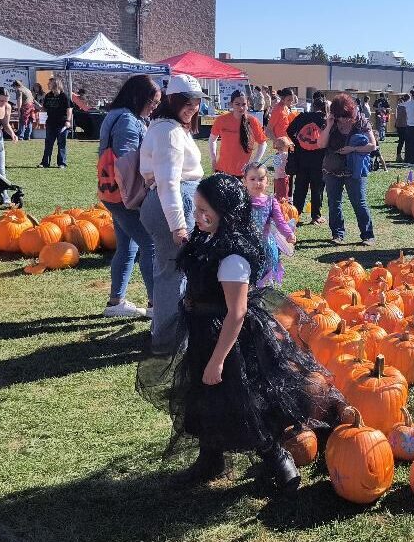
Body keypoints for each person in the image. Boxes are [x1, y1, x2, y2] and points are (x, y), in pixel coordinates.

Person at [138, 173, 345, 489]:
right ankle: (211, 458)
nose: (198, 216)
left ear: (225, 211)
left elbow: (236, 312)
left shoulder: (233, 256)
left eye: (204, 210)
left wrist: (218, 360)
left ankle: (278, 457)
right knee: (205, 397)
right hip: (203, 331)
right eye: (196, 208)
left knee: (241, 400)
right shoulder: (206, 239)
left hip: (227, 339)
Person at [139, 74, 206, 356]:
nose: (192, 107)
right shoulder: (168, 132)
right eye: (186, 102)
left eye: (197, 102)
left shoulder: (170, 127)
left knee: (170, 272)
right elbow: (168, 182)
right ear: (172, 100)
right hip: (173, 205)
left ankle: (168, 334)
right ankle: (168, 341)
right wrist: (179, 225)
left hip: (173, 203)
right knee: (172, 275)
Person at [98, 75, 161, 318]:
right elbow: (126, 163)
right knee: (149, 244)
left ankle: (116, 302)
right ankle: (157, 305)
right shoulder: (126, 120)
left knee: (127, 245)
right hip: (125, 196)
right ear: (139, 97)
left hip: (112, 194)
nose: (154, 107)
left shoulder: (117, 114)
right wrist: (138, 196)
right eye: (152, 102)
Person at [318, 93, 377, 245]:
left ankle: (367, 235)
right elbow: (321, 144)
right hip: (332, 168)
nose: (343, 120)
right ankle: (337, 234)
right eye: (340, 116)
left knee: (359, 202)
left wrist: (352, 148)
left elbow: (372, 145)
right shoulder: (331, 123)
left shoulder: (361, 122)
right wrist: (330, 124)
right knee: (334, 202)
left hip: (354, 169)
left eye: (346, 116)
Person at [243, 162, 296, 287]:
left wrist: (289, 233)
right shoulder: (242, 200)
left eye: (261, 179)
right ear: (245, 181)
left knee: (263, 272)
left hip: (265, 244)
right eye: (252, 179)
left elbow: (280, 221)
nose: (257, 183)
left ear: (268, 182)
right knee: (247, 272)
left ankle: (260, 294)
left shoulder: (271, 201)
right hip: (246, 243)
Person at [287, 92, 328, 225]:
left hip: (301, 156)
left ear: (312, 106)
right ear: (324, 108)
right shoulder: (325, 121)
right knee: (317, 187)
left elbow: (289, 130)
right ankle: (315, 216)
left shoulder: (302, 116)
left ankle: (296, 214)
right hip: (319, 157)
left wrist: (298, 141)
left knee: (300, 186)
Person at [210, 90, 267, 178]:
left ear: (248, 105)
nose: (241, 108)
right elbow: (212, 140)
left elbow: (263, 143)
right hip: (221, 170)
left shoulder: (253, 121)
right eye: (237, 104)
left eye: (244, 104)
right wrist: (213, 159)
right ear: (231, 104)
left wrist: (254, 162)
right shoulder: (221, 120)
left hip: (243, 173)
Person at [39, 78, 73, 168]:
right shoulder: (48, 95)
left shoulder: (64, 96)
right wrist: (39, 107)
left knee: (61, 144)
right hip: (50, 123)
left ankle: (62, 163)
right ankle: (45, 163)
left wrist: (68, 121)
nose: (47, 84)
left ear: (55, 84)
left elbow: (69, 109)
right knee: (48, 143)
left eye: (49, 83)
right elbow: (45, 108)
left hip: (62, 123)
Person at [394, 93, 409, 161]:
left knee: (401, 141)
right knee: (407, 141)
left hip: (399, 125)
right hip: (405, 125)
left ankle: (398, 155)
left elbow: (397, 116)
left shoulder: (399, 106)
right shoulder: (406, 106)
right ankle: (406, 156)